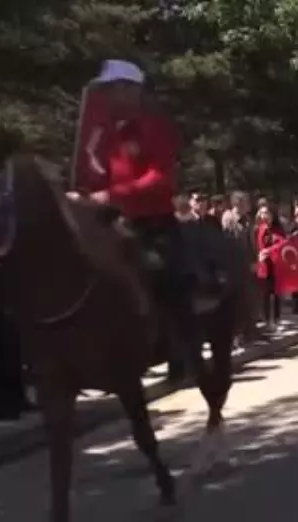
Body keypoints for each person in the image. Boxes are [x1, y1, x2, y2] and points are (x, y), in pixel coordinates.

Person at [70, 59, 204, 382]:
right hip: (115, 221)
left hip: (154, 221)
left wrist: (112, 195)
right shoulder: (105, 133)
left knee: (170, 279)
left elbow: (160, 179)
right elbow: (95, 174)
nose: (108, 96)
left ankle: (186, 353)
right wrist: (84, 195)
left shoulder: (155, 127)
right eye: (106, 90)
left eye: (113, 89)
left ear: (132, 91)